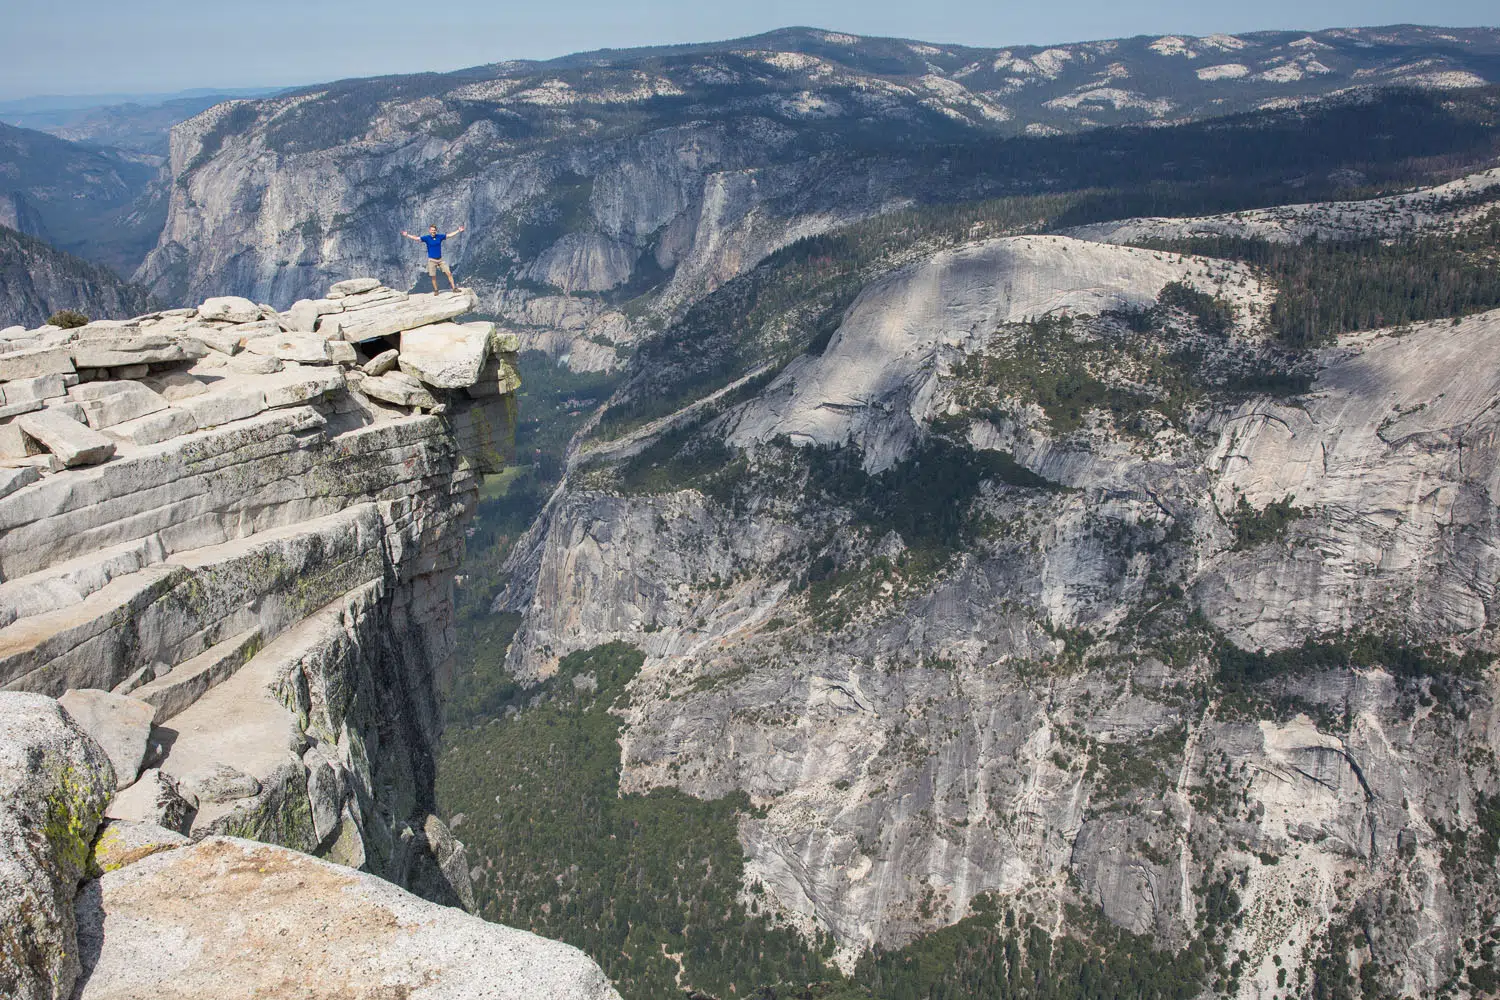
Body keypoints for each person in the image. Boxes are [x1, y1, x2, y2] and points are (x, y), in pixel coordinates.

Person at [401, 224, 466, 292]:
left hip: (440, 260)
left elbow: (449, 235)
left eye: (434, 230)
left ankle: (454, 288)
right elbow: (417, 238)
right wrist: (407, 235)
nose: (433, 231)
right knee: (433, 276)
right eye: (432, 230)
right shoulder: (427, 238)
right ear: (429, 231)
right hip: (432, 261)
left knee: (449, 273)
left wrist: (458, 230)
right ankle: (436, 290)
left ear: (436, 231)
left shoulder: (439, 237)